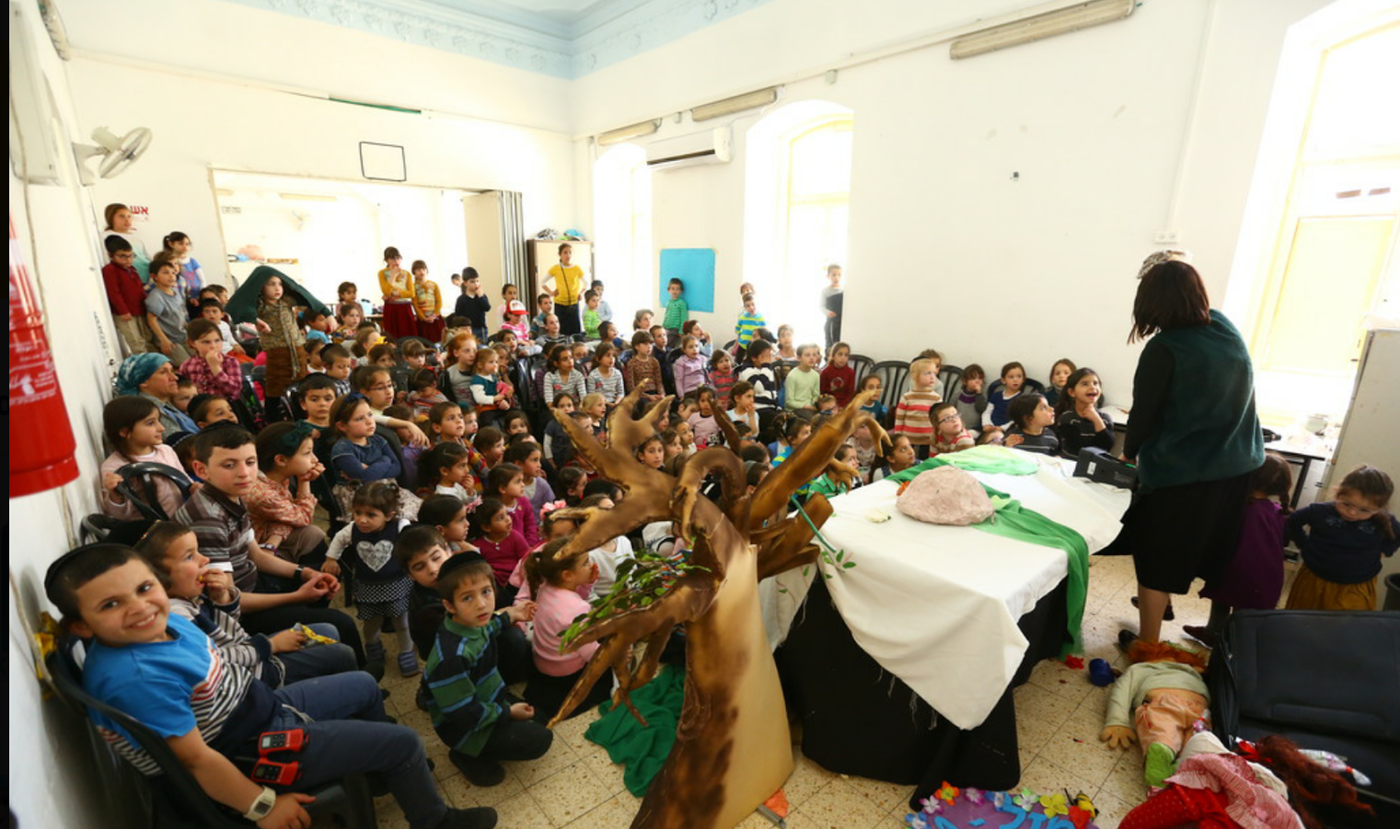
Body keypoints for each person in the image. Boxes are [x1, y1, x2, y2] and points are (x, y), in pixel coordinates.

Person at [44, 544, 498, 829]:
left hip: (257, 707)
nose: (140, 607)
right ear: (82, 625)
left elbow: (224, 655)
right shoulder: (134, 677)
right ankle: (434, 819)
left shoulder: (168, 622)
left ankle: (380, 773)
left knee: (360, 684)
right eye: (111, 604)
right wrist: (262, 806)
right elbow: (197, 761)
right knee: (402, 743)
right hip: (250, 750)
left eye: (145, 588)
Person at [1113, 252, 1264, 646]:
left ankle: (1148, 645)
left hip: (1186, 472)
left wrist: (1129, 452)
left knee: (1155, 555)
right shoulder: (1224, 326)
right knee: (1199, 548)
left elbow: (1144, 414)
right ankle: (1166, 609)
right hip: (1237, 465)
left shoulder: (1164, 348)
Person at [173, 427, 368, 671]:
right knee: (342, 624)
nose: (244, 473)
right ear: (202, 470)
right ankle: (358, 681)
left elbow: (255, 555)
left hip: (253, 581)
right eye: (229, 465)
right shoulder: (208, 520)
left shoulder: (232, 496)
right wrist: (297, 596)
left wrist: (306, 574)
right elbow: (229, 600)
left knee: (318, 581)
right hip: (237, 615)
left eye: (250, 462)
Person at [133, 521, 356, 686]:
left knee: (328, 631)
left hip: (249, 648)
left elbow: (229, 625)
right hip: (254, 673)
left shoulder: (189, 592)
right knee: (341, 653)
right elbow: (213, 660)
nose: (205, 559)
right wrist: (272, 645)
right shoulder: (178, 614)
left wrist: (221, 598)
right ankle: (351, 693)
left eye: (250, 462)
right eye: (190, 556)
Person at [423, 551, 549, 787]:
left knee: (541, 718)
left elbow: (487, 629)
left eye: (486, 591)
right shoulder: (450, 658)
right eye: (467, 598)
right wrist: (507, 713)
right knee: (539, 741)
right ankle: (465, 754)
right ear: (449, 605)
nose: (482, 604)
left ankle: (500, 714)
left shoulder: (469, 622)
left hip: (487, 701)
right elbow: (463, 715)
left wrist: (511, 615)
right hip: (463, 727)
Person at [1182, 455, 1293, 647]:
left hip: (1235, 568)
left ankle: (1217, 635)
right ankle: (1228, 641)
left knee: (1222, 598)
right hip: (1266, 576)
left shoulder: (1238, 508)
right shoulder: (1276, 511)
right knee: (1242, 614)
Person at [322, 482, 420, 677]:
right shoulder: (352, 529)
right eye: (357, 513)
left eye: (371, 515)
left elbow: (414, 544)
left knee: (402, 622)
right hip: (367, 588)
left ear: (389, 515)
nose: (362, 520)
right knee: (371, 624)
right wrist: (331, 558)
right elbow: (339, 539)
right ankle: (373, 649)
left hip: (397, 585)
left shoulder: (400, 527)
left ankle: (406, 653)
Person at [522, 538, 614, 723]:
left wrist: (587, 583)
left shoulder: (545, 587)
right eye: (585, 562)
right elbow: (591, 655)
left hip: (544, 664)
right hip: (566, 673)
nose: (591, 565)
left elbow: (572, 600)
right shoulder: (577, 609)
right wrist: (616, 655)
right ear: (567, 575)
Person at [1285, 464, 1399, 611]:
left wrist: (1385, 551)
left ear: (1379, 508)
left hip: (1356, 588)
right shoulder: (1319, 511)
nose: (1352, 513)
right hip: (1313, 582)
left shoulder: (1385, 521)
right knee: (1304, 622)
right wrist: (1304, 544)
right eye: (1346, 504)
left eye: (1364, 510)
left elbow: (1397, 537)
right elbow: (1293, 521)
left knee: (1345, 629)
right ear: (1338, 494)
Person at [226, 266, 330, 404]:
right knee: (276, 387)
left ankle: (300, 411)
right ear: (261, 287)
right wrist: (255, 320)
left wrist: (327, 314)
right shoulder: (260, 305)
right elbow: (233, 307)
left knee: (302, 385)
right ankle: (273, 417)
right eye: (271, 284)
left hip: (298, 349)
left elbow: (306, 295)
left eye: (280, 284)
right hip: (277, 351)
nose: (277, 288)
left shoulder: (287, 300)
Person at [248, 422, 329, 565]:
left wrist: (275, 538)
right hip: (252, 554)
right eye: (307, 453)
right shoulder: (263, 494)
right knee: (312, 535)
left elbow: (290, 518)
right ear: (281, 460)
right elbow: (303, 517)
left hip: (270, 542)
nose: (315, 460)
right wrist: (304, 481)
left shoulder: (276, 478)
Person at [99, 396, 185, 521]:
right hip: (151, 532)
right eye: (150, 423)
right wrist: (115, 496)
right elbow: (119, 517)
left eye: (158, 420)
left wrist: (194, 488)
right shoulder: (114, 467)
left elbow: (184, 481)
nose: (161, 428)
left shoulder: (166, 450)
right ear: (124, 431)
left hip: (181, 520)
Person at [116, 353, 198, 436]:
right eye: (163, 372)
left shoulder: (163, 405)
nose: (174, 377)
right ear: (143, 381)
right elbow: (183, 445)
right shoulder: (150, 411)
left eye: (172, 371)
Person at [102, 235, 156, 355]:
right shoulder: (110, 270)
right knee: (136, 342)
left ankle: (155, 367)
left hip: (140, 310)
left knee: (147, 338)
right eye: (122, 256)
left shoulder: (132, 269)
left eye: (131, 256)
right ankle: (145, 371)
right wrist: (123, 311)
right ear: (110, 255)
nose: (128, 260)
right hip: (125, 313)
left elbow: (140, 290)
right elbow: (113, 292)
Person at [1055, 367, 1115, 458]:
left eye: (1095, 383)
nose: (1092, 387)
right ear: (1072, 392)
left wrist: (1097, 420)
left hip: (1096, 466)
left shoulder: (1105, 418)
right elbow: (1078, 448)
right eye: (1085, 384)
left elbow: (1107, 445)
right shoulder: (1067, 418)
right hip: (1071, 464)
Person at [145, 256, 192, 364]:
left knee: (202, 359)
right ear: (154, 276)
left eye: (173, 273)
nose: (171, 276)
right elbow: (151, 320)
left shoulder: (175, 291)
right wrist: (163, 340)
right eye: (165, 273)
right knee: (187, 365)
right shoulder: (156, 297)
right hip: (170, 340)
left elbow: (181, 314)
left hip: (183, 336)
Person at [179, 319, 243, 398]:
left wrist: (215, 368)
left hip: (225, 406)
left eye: (217, 340)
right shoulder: (187, 365)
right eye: (206, 342)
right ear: (192, 343)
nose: (213, 346)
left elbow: (234, 392)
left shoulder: (230, 362)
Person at [894, 357, 942, 459]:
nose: (933, 377)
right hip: (908, 442)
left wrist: (937, 439)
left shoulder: (936, 398)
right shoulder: (906, 397)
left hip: (928, 442)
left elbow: (938, 421)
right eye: (927, 373)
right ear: (915, 376)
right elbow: (899, 420)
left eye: (934, 373)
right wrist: (898, 438)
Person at [101, 203, 151, 282]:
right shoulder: (106, 236)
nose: (127, 220)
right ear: (111, 218)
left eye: (129, 216)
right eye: (121, 216)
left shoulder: (136, 236)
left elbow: (146, 257)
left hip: (146, 277)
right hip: (126, 279)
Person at [545, 242, 585, 336]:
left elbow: (586, 283)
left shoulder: (576, 268)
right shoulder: (555, 268)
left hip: (573, 304)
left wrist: (581, 293)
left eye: (570, 252)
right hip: (560, 304)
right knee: (561, 330)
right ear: (560, 254)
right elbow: (543, 282)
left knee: (575, 331)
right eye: (565, 252)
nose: (568, 255)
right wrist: (551, 292)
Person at [161, 231, 205, 316]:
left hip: (197, 296)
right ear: (171, 244)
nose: (185, 246)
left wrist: (201, 295)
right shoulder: (169, 261)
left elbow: (202, 280)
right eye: (181, 243)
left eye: (187, 244)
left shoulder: (192, 261)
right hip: (181, 298)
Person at [379, 246, 417, 340]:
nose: (396, 261)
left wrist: (396, 293)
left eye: (398, 258)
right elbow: (386, 292)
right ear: (386, 260)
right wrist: (393, 275)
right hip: (391, 307)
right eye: (392, 258)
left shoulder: (406, 273)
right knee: (392, 336)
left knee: (408, 335)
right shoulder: (382, 273)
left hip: (404, 306)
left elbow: (411, 293)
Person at [983, 361, 1028, 435]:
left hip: (1007, 431)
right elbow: (987, 412)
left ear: (1023, 379)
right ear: (1003, 380)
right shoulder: (996, 395)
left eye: (1019, 376)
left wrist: (1002, 428)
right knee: (969, 434)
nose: (1015, 380)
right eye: (1011, 377)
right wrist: (987, 424)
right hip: (989, 427)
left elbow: (1017, 420)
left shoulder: (1022, 399)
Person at [622, 331, 664, 403]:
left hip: (654, 392)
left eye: (650, 344)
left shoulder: (654, 361)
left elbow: (659, 382)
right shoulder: (631, 363)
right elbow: (631, 388)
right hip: (640, 395)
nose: (649, 346)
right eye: (645, 344)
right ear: (636, 346)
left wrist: (661, 394)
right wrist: (648, 396)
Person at [411, 259, 445, 342]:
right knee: (425, 341)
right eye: (418, 270)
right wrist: (423, 318)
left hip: (435, 318)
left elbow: (439, 301)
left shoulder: (434, 285)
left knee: (439, 339)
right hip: (423, 319)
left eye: (423, 269)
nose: (422, 272)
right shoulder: (413, 287)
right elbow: (414, 304)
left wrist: (434, 315)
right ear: (414, 272)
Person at [454, 267, 491, 343]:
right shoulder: (461, 299)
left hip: (481, 329)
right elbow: (458, 316)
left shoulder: (481, 296)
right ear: (465, 283)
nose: (476, 284)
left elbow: (487, 307)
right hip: (467, 329)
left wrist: (481, 296)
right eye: (472, 282)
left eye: (477, 281)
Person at [784, 344, 822, 412]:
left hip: (810, 408)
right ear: (799, 358)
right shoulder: (792, 376)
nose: (811, 358)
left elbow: (816, 395)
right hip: (794, 410)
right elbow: (789, 402)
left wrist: (814, 406)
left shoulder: (816, 375)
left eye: (814, 355)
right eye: (807, 355)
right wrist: (806, 407)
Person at [820, 341, 856, 409]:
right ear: (833, 356)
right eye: (840, 354)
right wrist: (831, 406)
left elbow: (850, 393)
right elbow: (822, 392)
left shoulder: (850, 372)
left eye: (846, 355)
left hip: (844, 405)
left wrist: (842, 406)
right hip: (829, 404)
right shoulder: (826, 372)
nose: (843, 358)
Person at [821, 264, 844, 350]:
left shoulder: (844, 289)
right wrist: (828, 312)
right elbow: (821, 306)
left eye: (839, 275)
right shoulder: (825, 291)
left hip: (842, 322)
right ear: (828, 276)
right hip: (831, 322)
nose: (836, 277)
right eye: (834, 275)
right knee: (831, 345)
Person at [662, 277, 688, 344]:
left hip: (675, 329)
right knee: (661, 342)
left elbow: (684, 318)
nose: (674, 291)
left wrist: (681, 331)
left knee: (669, 344)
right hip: (666, 328)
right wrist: (662, 326)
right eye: (672, 289)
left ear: (681, 291)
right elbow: (666, 315)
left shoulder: (682, 303)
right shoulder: (668, 302)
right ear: (669, 290)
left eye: (677, 289)